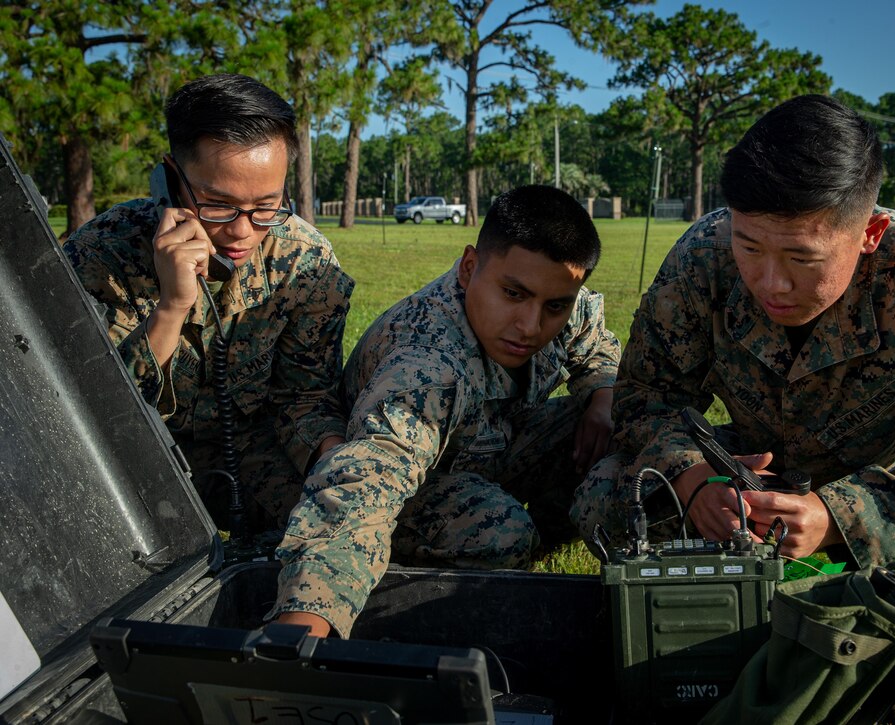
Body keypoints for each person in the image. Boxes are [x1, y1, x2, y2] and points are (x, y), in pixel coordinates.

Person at [571, 94, 895, 651]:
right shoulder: (703, 256)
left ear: (869, 233)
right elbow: (645, 396)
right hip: (749, 493)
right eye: (749, 247)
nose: (771, 283)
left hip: (894, 491)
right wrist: (694, 476)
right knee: (603, 496)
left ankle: (828, 617)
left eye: (802, 259)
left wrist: (838, 516)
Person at [270, 185, 620, 638]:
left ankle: (532, 542)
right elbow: (365, 482)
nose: (531, 326)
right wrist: (304, 624)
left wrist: (603, 396)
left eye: (554, 307)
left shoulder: (555, 296)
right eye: (513, 294)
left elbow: (594, 348)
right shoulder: (426, 365)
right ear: (469, 267)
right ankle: (405, 580)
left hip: (486, 451)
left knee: (615, 428)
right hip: (409, 487)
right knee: (500, 531)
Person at [64, 73, 354, 533]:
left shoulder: (306, 262)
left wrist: (334, 459)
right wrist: (173, 305)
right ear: (171, 180)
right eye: (217, 204)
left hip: (253, 455)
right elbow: (90, 417)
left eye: (268, 204)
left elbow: (304, 396)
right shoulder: (100, 255)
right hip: (130, 465)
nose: (243, 231)